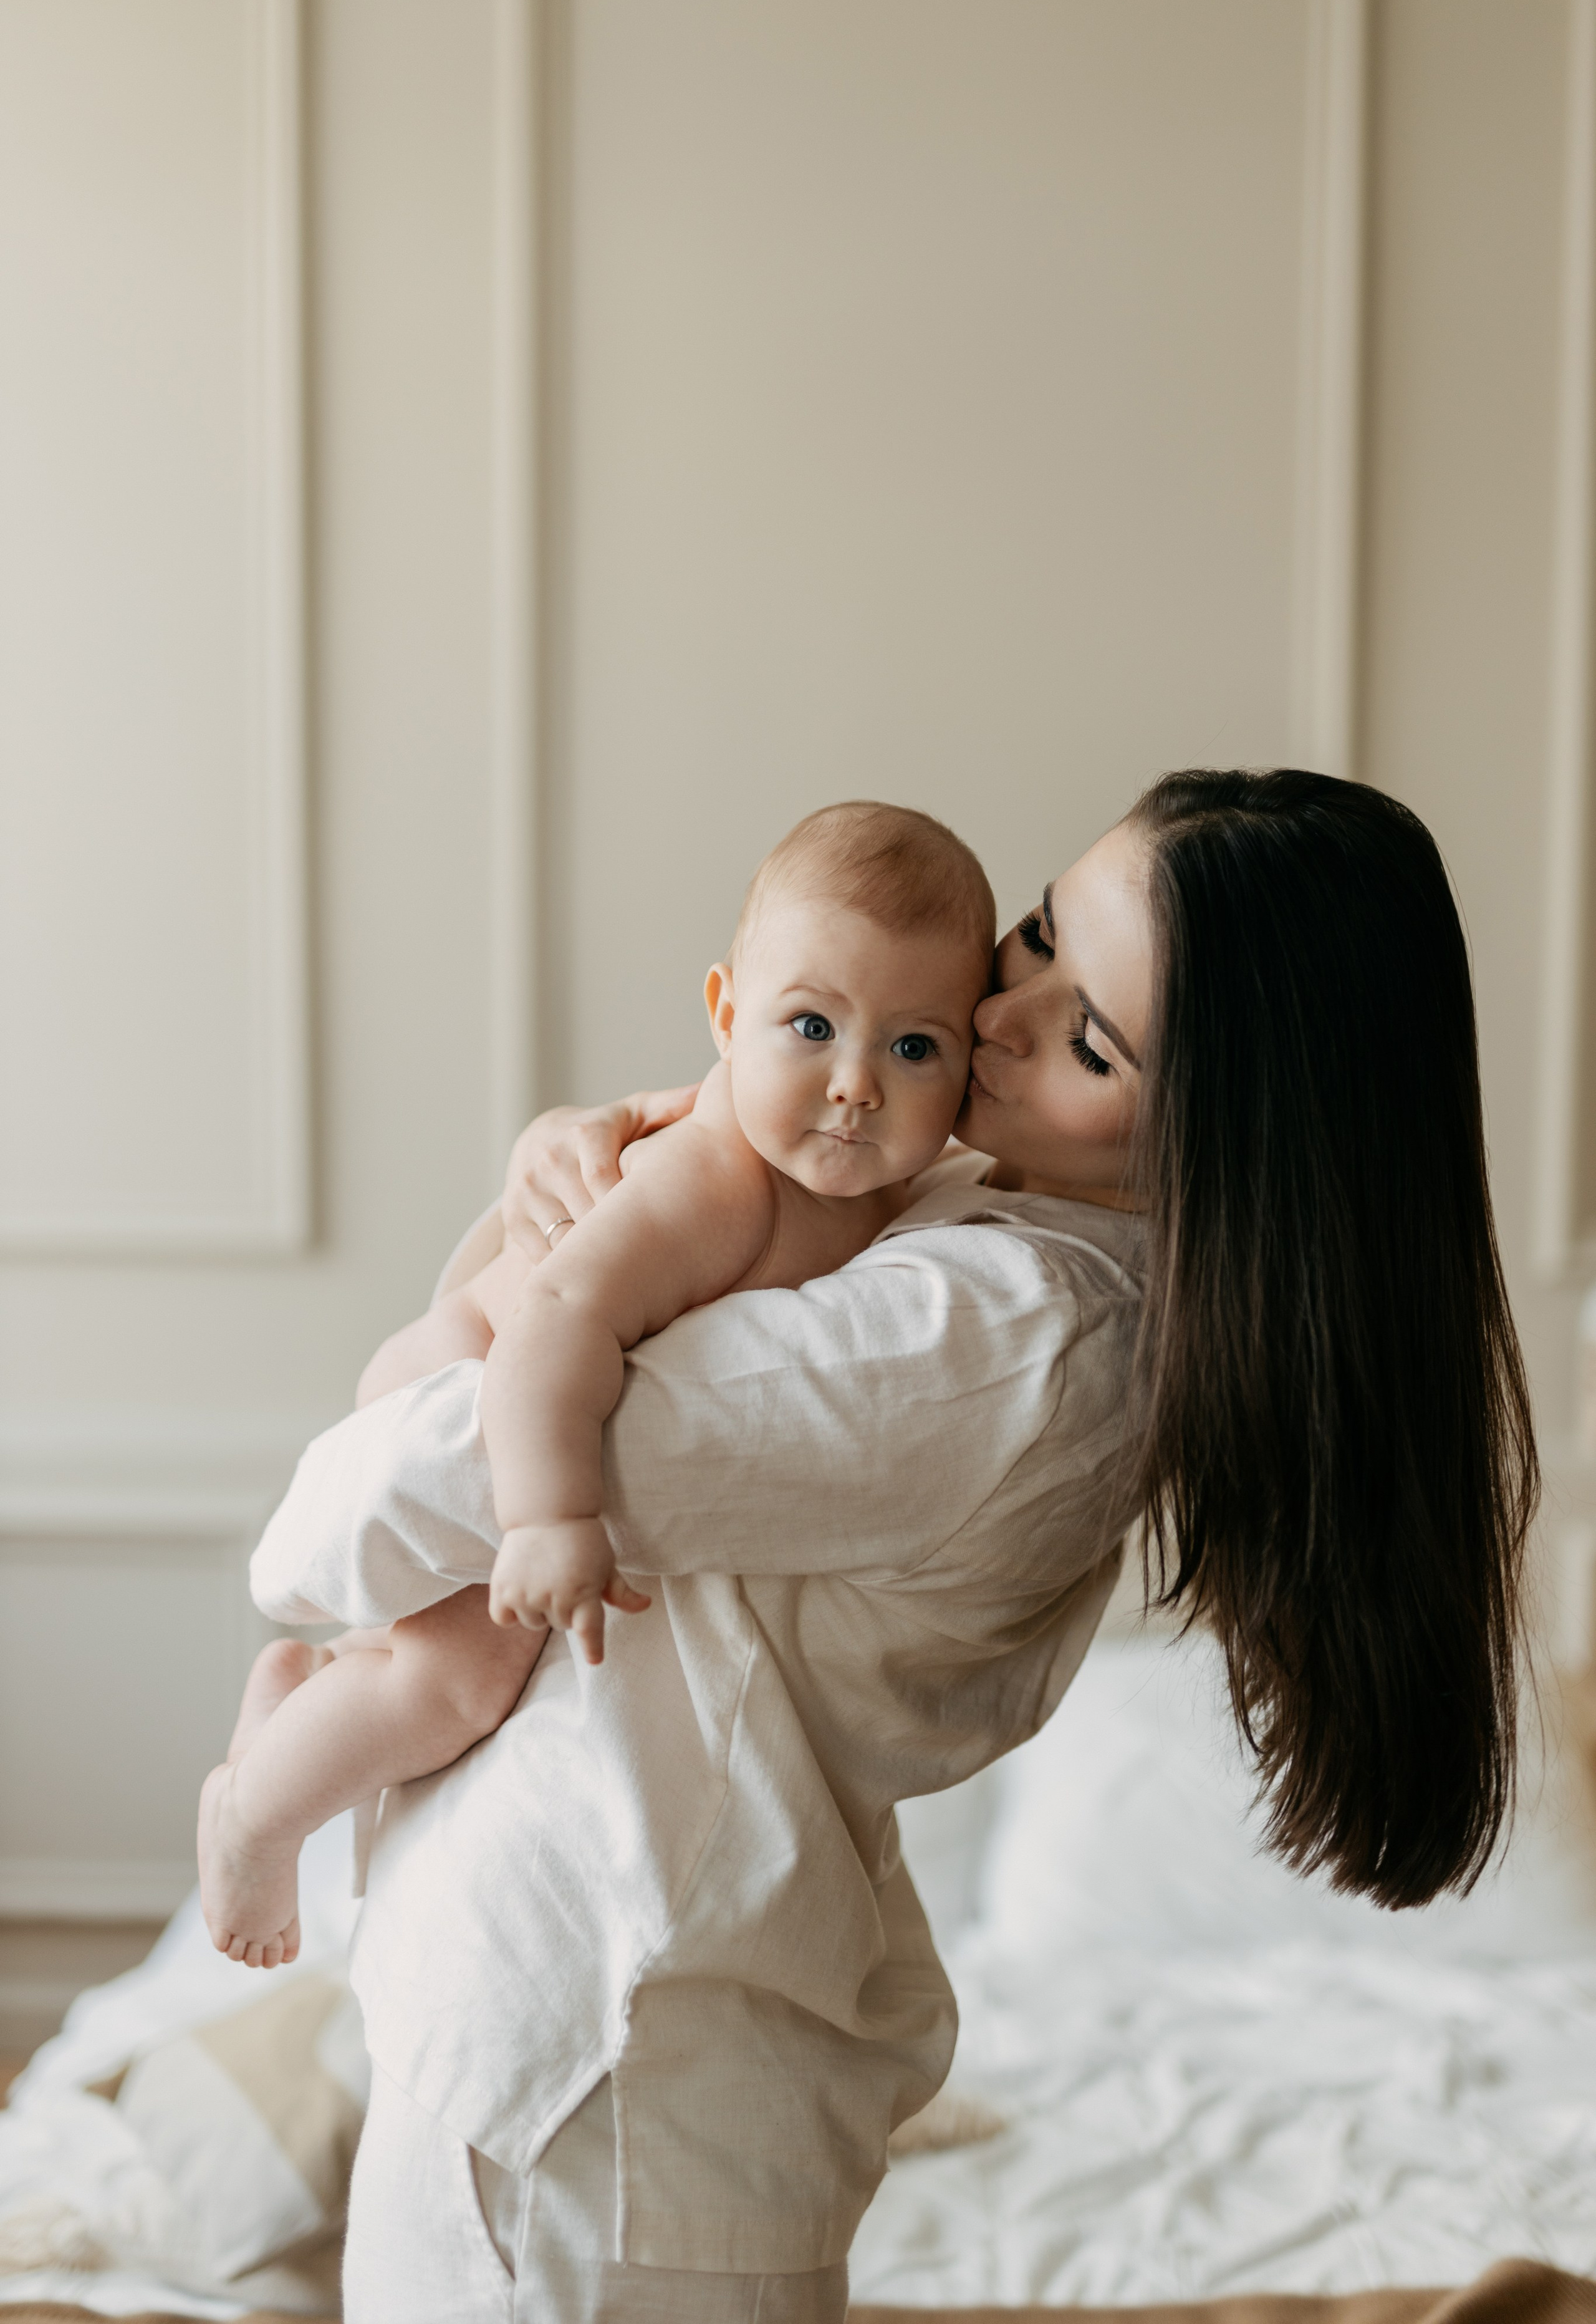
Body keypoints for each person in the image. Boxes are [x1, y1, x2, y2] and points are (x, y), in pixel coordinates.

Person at [248, 769, 1536, 2324]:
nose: (999, 1015)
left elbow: (394, 1490)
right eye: (1042, 934)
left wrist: (525, 1289)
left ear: (1234, 1137)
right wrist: (586, 1170)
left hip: (607, 2084)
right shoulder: (954, 1207)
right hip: (601, 2048)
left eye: (1087, 1039)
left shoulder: (994, 1334)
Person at [198, 803, 994, 1967]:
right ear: (728, 1016)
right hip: (475, 1385)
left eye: (913, 1047)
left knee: (427, 1668)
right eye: (812, 1026)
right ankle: (251, 1821)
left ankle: (297, 1696)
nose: (856, 1085)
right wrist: (550, 1516)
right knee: (459, 1684)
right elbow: (559, 1321)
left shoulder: (891, 1187)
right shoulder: (722, 1182)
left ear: (970, 1064)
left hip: (508, 1379)